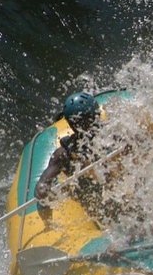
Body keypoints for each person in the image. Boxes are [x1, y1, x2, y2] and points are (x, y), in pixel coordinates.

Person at [35, 92, 116, 222]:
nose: (92, 122)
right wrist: (43, 189)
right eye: (84, 121)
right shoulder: (65, 153)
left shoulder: (113, 136)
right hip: (94, 203)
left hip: (113, 196)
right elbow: (42, 186)